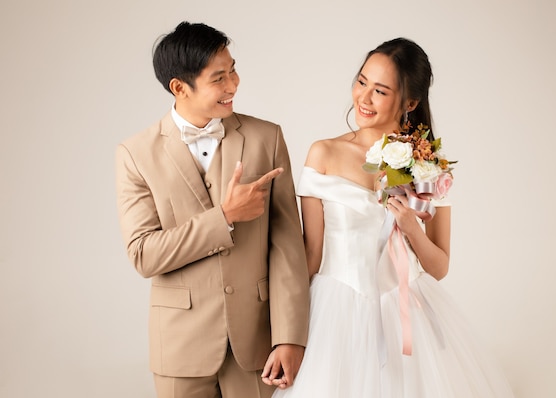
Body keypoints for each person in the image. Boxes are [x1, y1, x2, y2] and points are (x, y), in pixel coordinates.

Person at [268, 38, 515, 397]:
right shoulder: (324, 153)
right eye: (362, 81)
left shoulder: (429, 166)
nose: (363, 98)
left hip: (406, 312)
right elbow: (311, 255)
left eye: (380, 91)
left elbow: (439, 267)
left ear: (410, 102)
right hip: (336, 311)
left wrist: (412, 229)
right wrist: (284, 334)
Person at [115, 21, 310, 398]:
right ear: (179, 87)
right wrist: (224, 218)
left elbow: (287, 246)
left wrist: (289, 337)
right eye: (219, 78)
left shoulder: (266, 138)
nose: (233, 84)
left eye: (233, 70)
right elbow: (143, 254)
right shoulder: (135, 155)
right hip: (179, 348)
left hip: (257, 343)